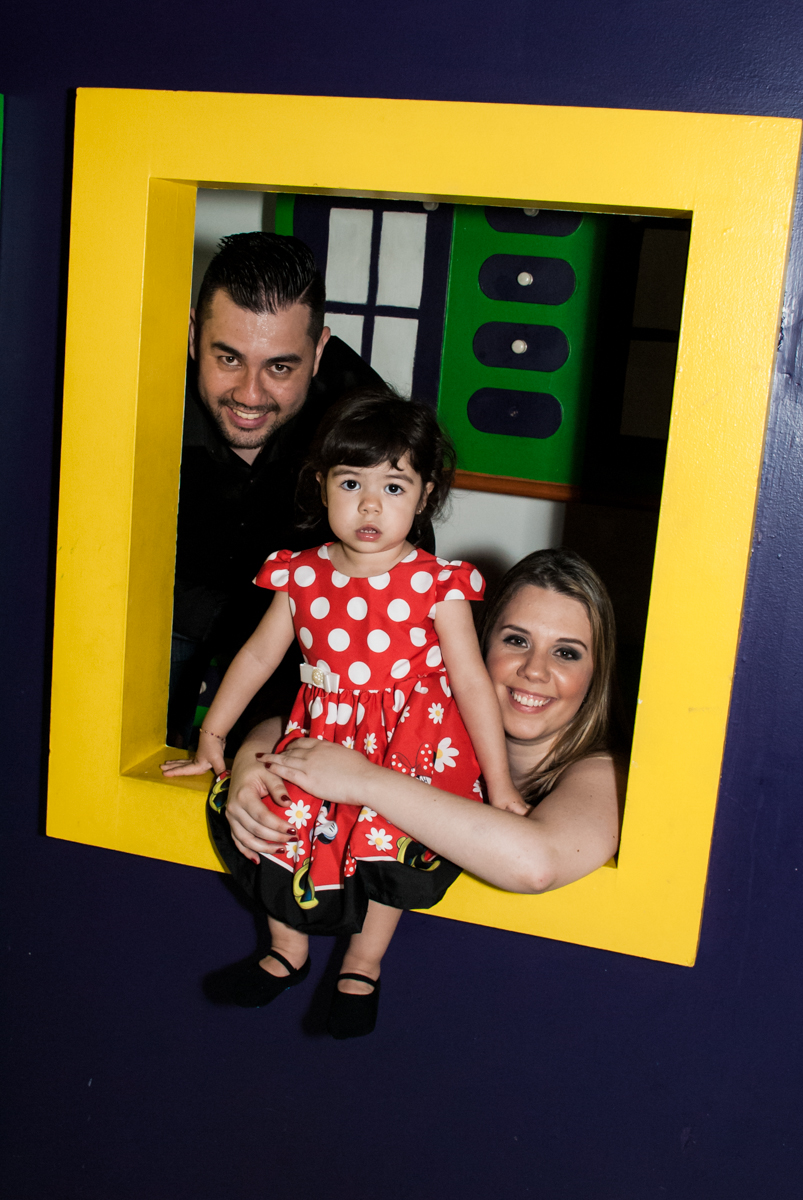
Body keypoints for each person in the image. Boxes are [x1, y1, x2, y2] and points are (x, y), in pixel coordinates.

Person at [163, 390, 523, 1037]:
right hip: (321, 733)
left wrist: (498, 784)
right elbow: (255, 658)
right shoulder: (299, 575)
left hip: (408, 746)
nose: (368, 505)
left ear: (423, 496)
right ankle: (287, 949)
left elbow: (471, 683)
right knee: (278, 824)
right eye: (351, 482)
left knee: (384, 845)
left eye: (392, 486)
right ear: (321, 485)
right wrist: (212, 735)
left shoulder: (436, 584)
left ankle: (364, 961)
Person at [221, 548, 623, 1021]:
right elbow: (313, 721)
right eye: (516, 641)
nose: (534, 670)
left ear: (596, 673)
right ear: (473, 648)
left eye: (566, 652)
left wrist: (364, 781)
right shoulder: (421, 722)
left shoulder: (603, 773)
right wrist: (252, 758)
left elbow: (533, 865)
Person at [169, 231, 396, 745]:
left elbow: (395, 580)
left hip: (296, 624)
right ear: (190, 334)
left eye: (279, 367)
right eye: (227, 358)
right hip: (166, 599)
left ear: (319, 352)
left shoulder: (361, 416)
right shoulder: (132, 389)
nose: (249, 394)